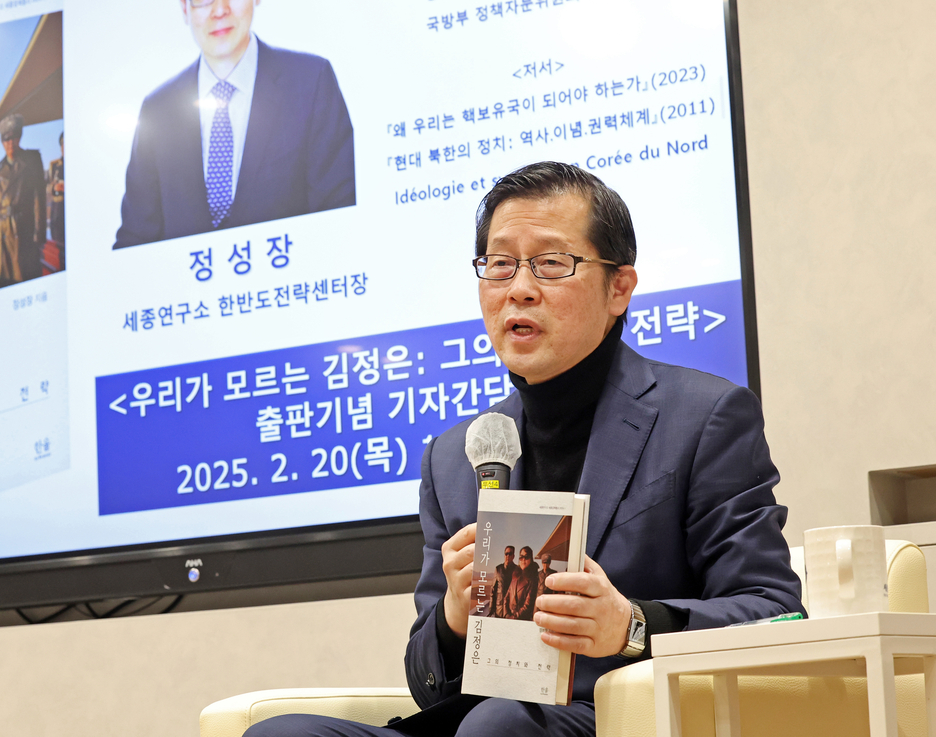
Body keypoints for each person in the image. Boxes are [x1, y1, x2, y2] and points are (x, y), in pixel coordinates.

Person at [244, 161, 803, 737]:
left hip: (612, 720)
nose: (519, 289)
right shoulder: (455, 455)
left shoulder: (703, 417)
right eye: (500, 264)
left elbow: (775, 611)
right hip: (481, 723)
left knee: (498, 725)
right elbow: (426, 679)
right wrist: (454, 621)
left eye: (552, 264)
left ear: (620, 288)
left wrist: (631, 626)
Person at [113, 0, 355, 248]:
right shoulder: (157, 110)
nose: (220, 8)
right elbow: (135, 242)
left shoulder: (311, 83)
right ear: (185, 8)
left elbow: (341, 216)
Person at [0, 114, 46, 287]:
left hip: (24, 231)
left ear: (19, 137)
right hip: (3, 233)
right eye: (6, 139)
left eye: (14, 138)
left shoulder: (32, 160)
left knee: (26, 277)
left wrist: (40, 233)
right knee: (3, 282)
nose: (10, 143)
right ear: (1, 142)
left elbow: (39, 198)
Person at [506, 547, 540, 621]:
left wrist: (514, 617)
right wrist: (506, 614)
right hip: (509, 617)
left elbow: (528, 606)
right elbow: (507, 597)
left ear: (531, 559)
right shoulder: (515, 576)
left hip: (522, 619)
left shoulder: (533, 579)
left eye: (526, 557)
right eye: (521, 557)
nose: (523, 559)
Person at [486, 546, 517, 619]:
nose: (508, 556)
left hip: (511, 610)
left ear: (513, 556)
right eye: (506, 554)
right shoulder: (498, 569)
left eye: (510, 554)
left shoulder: (517, 570)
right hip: (499, 608)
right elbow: (493, 590)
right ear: (504, 555)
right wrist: (491, 608)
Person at [47, 131, 65, 251]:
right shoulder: (54, 165)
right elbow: (47, 187)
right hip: (57, 213)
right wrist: (54, 188)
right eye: (62, 143)